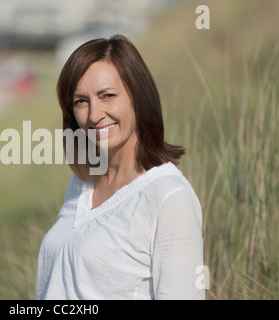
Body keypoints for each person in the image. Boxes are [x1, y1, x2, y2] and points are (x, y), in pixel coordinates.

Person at [35, 35, 205, 300]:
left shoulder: (169, 197)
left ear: (138, 97)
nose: (93, 115)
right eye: (81, 101)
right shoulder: (82, 184)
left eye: (108, 96)